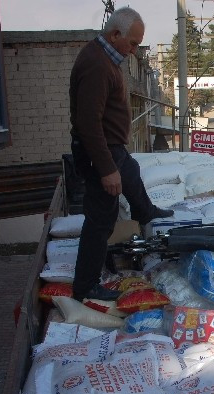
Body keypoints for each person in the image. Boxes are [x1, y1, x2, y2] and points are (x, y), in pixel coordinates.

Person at [69, 7, 172, 301]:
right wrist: (105, 169)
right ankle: (85, 286)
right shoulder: (97, 65)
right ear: (115, 35)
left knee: (131, 171)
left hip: (112, 147)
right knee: (102, 218)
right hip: (98, 150)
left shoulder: (105, 58)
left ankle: (145, 211)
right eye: (133, 43)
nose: (134, 50)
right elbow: (89, 124)